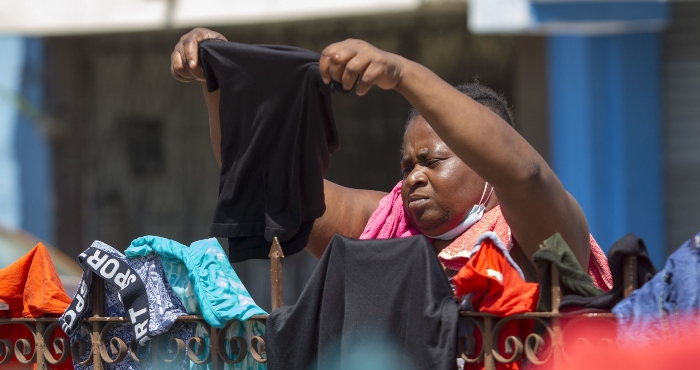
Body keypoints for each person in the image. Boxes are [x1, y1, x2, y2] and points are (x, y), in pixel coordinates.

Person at [170, 28, 611, 286]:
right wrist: (219, 80)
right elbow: (267, 185)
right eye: (407, 166)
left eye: (431, 160)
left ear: (487, 169)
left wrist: (402, 73)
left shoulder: (544, 236)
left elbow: (526, 173)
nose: (414, 178)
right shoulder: (388, 227)